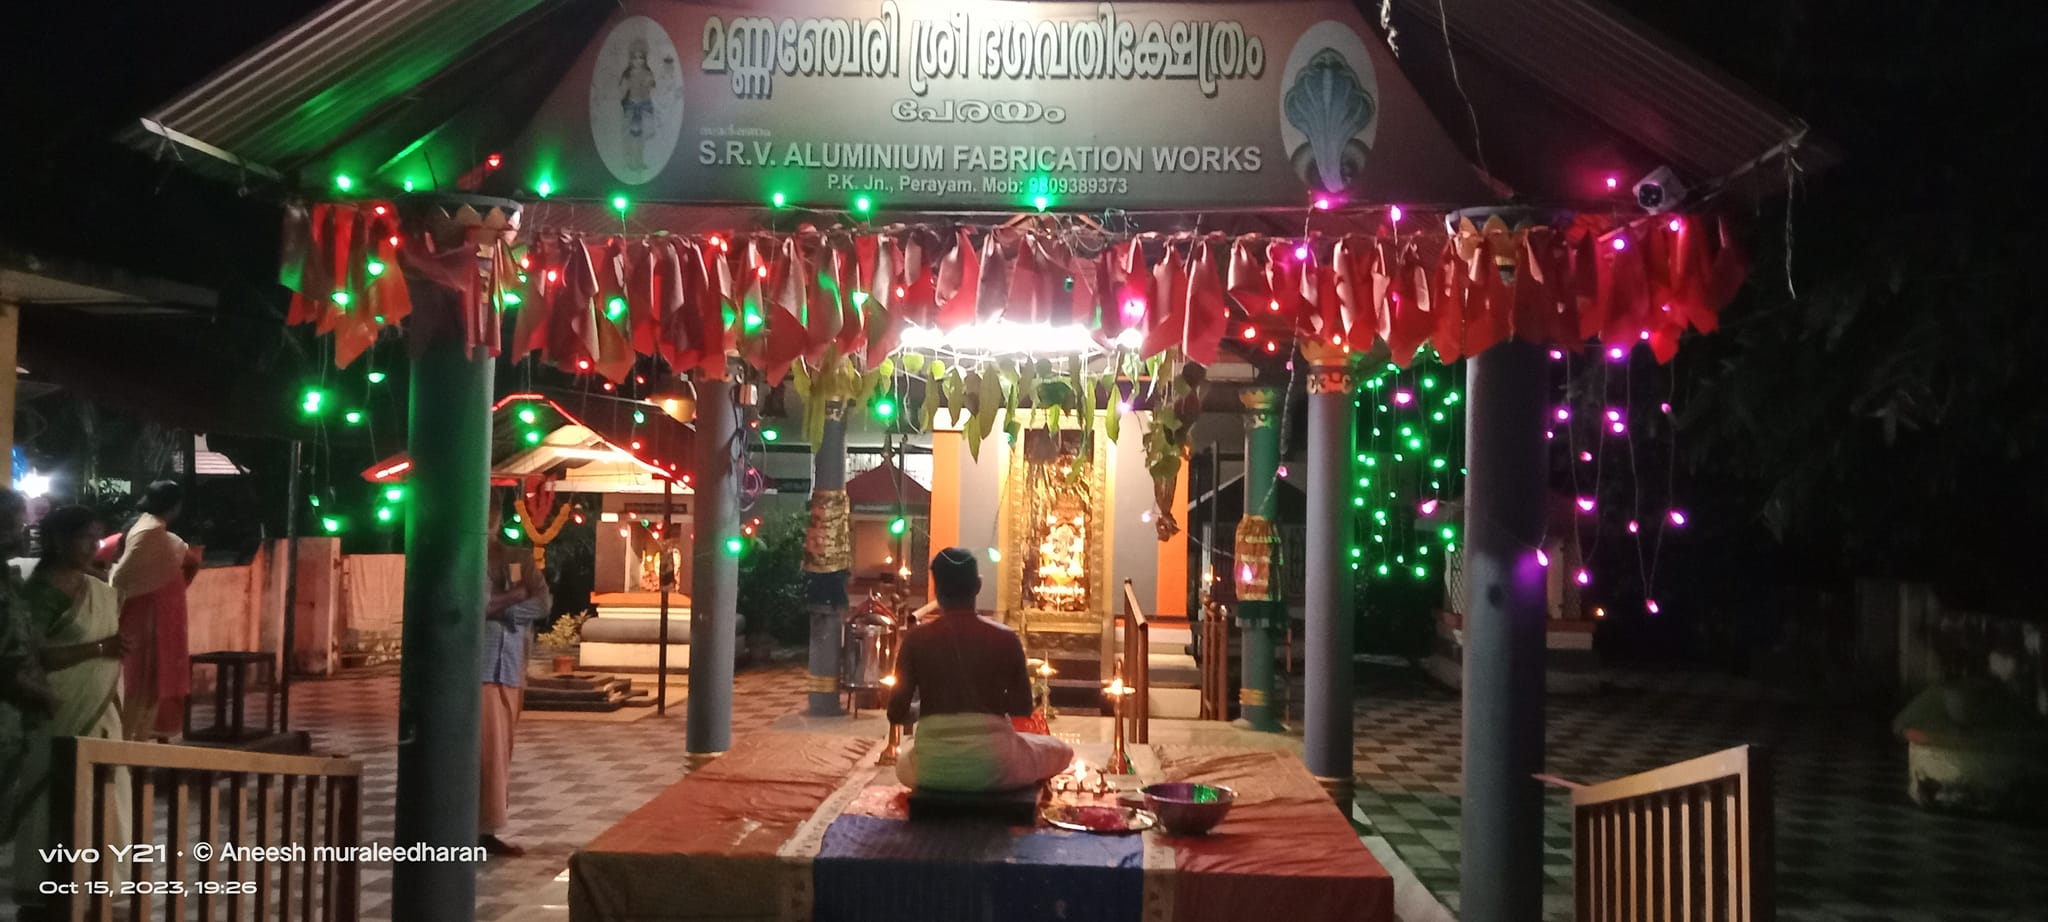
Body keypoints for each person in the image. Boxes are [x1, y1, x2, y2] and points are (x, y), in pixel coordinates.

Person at [6, 505, 131, 917]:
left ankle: (95, 879)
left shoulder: (97, 585)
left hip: (101, 712)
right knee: (56, 795)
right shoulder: (39, 592)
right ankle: (52, 883)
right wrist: (99, 649)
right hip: (59, 710)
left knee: (102, 794)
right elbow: (29, 659)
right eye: (84, 538)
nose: (92, 547)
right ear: (58, 540)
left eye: (97, 538)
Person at [886, 548, 1074, 792]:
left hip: (932, 767)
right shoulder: (1005, 638)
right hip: (998, 765)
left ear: (936, 590)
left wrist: (933, 706)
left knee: (905, 761)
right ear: (978, 586)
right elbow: (1022, 708)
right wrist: (987, 703)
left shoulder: (915, 639)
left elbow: (896, 713)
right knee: (1061, 751)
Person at [480, 498, 550, 857]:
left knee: (501, 752)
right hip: (480, 670)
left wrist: (504, 607)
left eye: (492, 513)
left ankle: (487, 827)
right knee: (485, 752)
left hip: (510, 666)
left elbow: (542, 602)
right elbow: (477, 605)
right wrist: (513, 597)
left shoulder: (515, 557)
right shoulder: (469, 557)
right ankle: (474, 827)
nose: (489, 520)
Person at [109, 481, 196, 739]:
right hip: (144, 620)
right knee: (138, 684)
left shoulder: (148, 529)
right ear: (175, 506)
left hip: (148, 616)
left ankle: (134, 744)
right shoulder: (152, 533)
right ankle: (127, 748)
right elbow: (122, 578)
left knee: (145, 686)